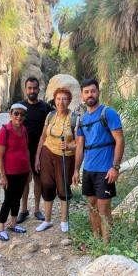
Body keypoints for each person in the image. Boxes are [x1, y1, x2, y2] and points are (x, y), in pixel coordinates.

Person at [73, 79, 124, 243]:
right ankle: (96, 239)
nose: (90, 95)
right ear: (82, 95)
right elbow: (80, 147)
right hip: (88, 170)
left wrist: (115, 167)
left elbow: (120, 140)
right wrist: (76, 170)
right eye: (86, 92)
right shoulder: (81, 120)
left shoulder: (108, 113)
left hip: (105, 170)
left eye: (93, 91)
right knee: (92, 207)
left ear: (98, 92)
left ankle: (107, 245)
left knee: (104, 209)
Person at [35, 87, 76, 233]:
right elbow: (43, 137)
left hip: (64, 157)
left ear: (69, 101)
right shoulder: (50, 115)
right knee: (46, 185)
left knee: (63, 187)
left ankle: (64, 220)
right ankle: (47, 220)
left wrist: (70, 146)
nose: (61, 102)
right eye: (58, 99)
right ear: (55, 100)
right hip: (47, 153)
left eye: (64, 99)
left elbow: (80, 144)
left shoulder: (74, 118)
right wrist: (37, 157)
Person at [16, 76, 51, 224]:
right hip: (23, 150)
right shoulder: (19, 108)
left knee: (38, 181)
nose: (32, 91)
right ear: (25, 89)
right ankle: (23, 210)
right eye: (29, 88)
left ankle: (37, 210)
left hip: (40, 150)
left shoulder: (45, 107)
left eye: (34, 88)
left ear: (38, 89)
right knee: (24, 181)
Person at [0, 103, 31, 241]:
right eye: (16, 113)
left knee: (17, 198)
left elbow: (26, 150)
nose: (19, 116)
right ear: (11, 114)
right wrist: (2, 176)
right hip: (9, 172)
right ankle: (1, 228)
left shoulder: (24, 129)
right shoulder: (5, 130)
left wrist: (29, 171)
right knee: (8, 200)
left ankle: (14, 223)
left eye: (22, 114)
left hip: (22, 171)